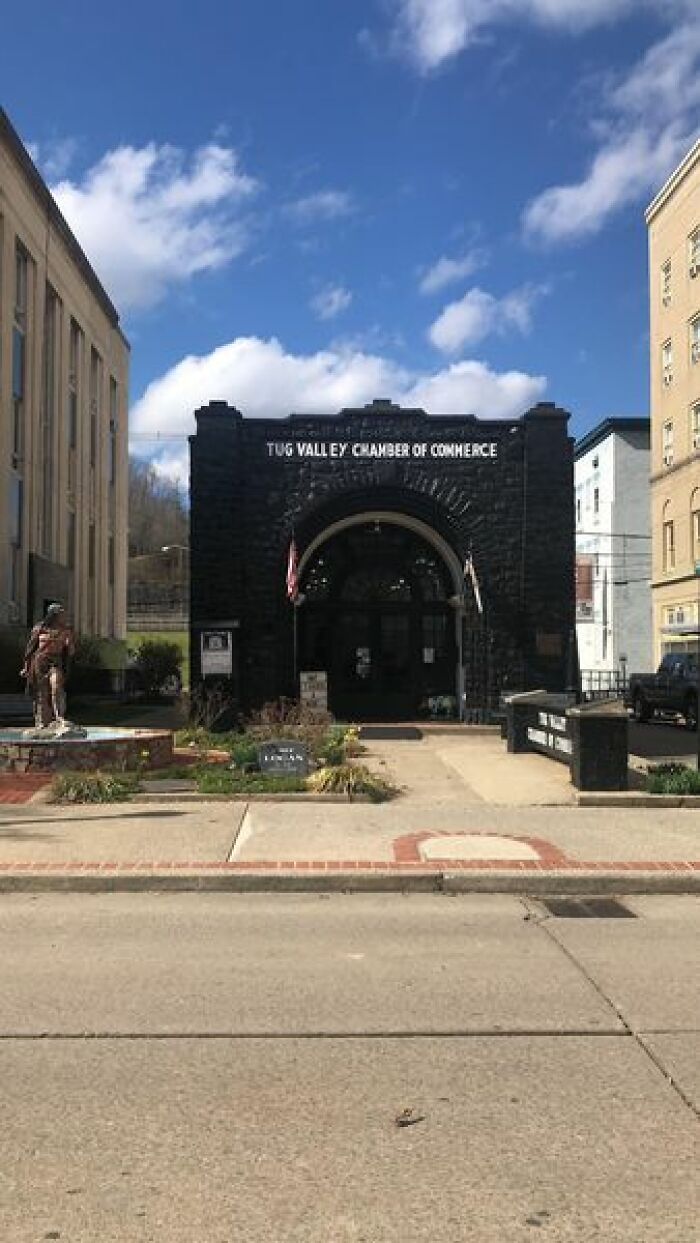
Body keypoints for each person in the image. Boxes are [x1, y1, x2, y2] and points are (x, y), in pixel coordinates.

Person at [20, 603, 75, 729]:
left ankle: (59, 716)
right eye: (62, 614)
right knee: (43, 693)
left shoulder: (66, 630)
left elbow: (71, 652)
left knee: (56, 687)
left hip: (56, 661)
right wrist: (26, 667)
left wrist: (69, 642)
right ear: (54, 615)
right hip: (40, 661)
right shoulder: (40, 628)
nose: (64, 616)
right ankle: (43, 722)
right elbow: (30, 649)